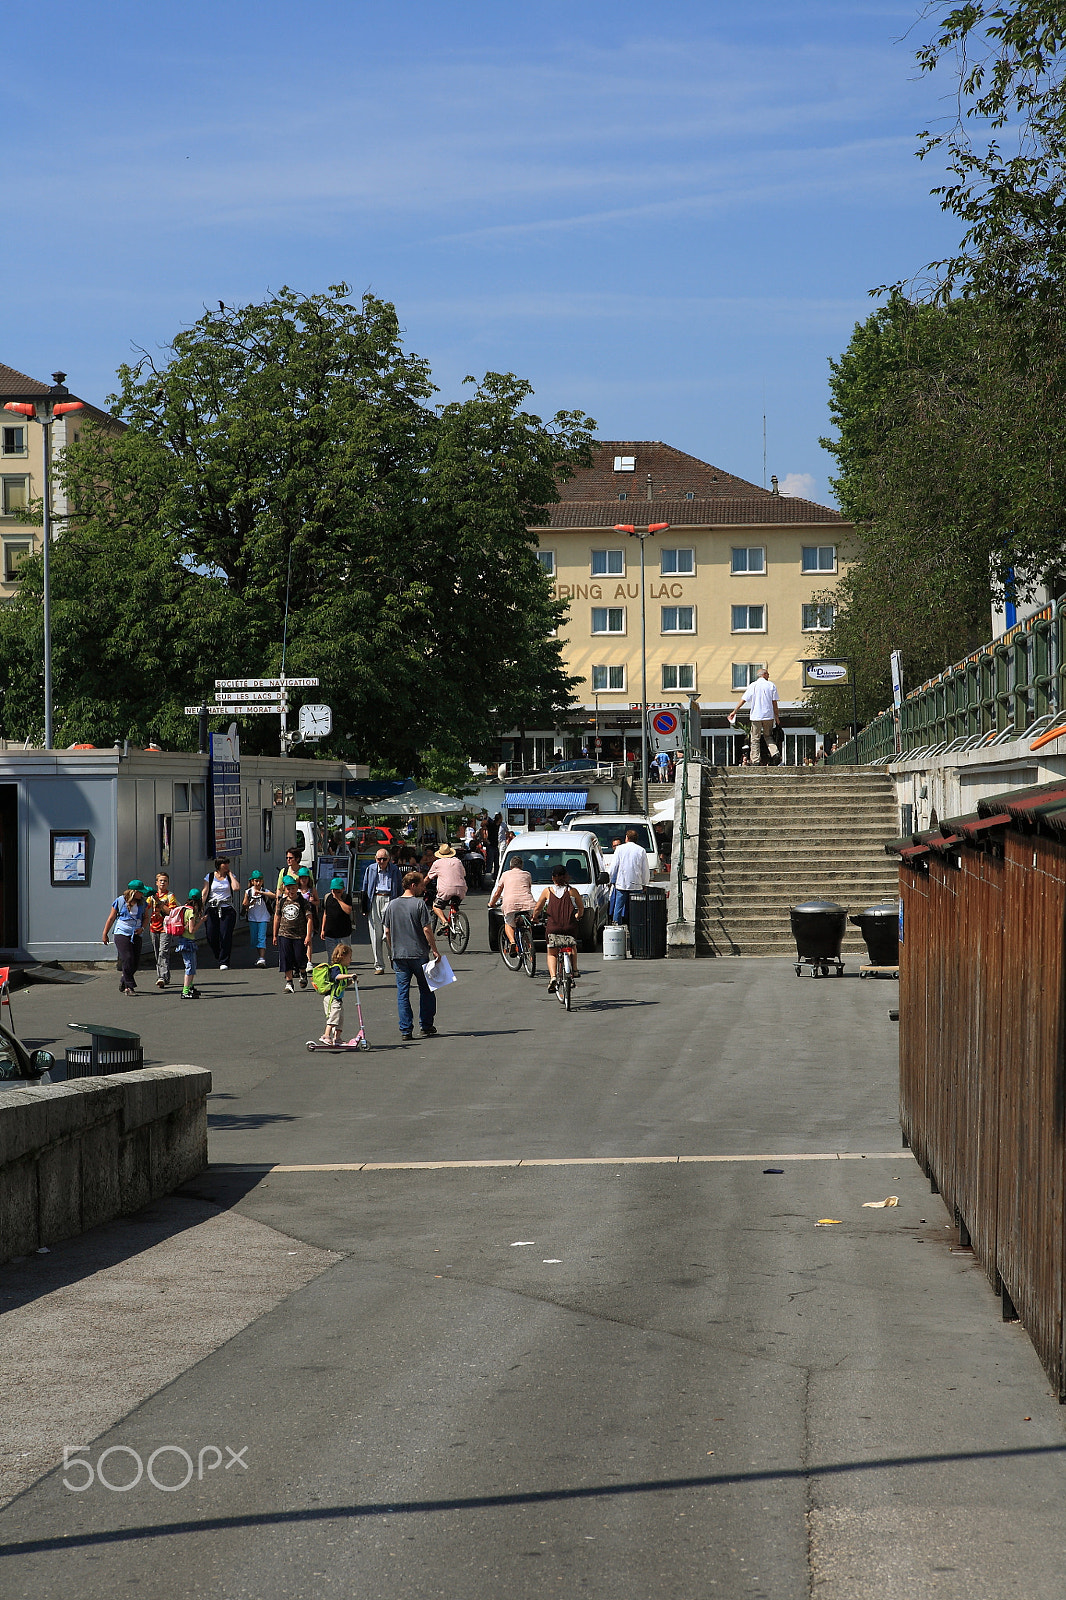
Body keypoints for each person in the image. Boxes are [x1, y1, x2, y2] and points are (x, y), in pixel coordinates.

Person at [383, 871, 441, 1041]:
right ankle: (426, 1025)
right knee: (426, 990)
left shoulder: (391, 905)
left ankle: (406, 1029)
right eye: (422, 885)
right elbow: (426, 929)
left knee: (403, 993)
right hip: (418, 953)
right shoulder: (419, 905)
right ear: (413, 885)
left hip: (399, 955)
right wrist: (435, 949)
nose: (424, 888)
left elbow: (387, 931)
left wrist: (392, 949)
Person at [532, 864, 583, 992]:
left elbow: (538, 908)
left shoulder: (547, 891)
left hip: (552, 928)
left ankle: (553, 977)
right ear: (566, 876)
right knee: (572, 946)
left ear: (553, 878)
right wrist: (577, 915)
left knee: (552, 953)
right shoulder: (572, 891)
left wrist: (534, 918)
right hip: (569, 927)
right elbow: (581, 907)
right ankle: (574, 970)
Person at [101, 881, 148, 995]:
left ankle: (124, 978)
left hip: (136, 932)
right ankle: (129, 986)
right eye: (140, 892)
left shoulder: (143, 903)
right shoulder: (120, 901)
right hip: (122, 932)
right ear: (134, 892)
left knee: (135, 962)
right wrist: (105, 933)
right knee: (127, 957)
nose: (142, 894)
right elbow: (111, 918)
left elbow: (146, 917)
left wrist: (142, 928)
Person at [361, 849, 402, 974]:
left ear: (389, 859)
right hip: (375, 899)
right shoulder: (371, 869)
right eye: (379, 859)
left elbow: (399, 888)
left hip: (390, 899)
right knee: (375, 934)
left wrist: (399, 906)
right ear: (375, 859)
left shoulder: (395, 870)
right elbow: (365, 887)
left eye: (384, 859)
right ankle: (379, 965)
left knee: (389, 933)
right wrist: (364, 907)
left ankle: (393, 958)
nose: (381, 862)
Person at [730, 667, 781, 767]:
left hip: (756, 716)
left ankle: (756, 760)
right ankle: (775, 753)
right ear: (764, 675)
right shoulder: (771, 685)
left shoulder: (753, 686)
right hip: (768, 715)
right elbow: (774, 703)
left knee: (755, 739)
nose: (769, 676)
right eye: (768, 674)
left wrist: (735, 710)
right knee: (768, 736)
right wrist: (777, 717)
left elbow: (744, 699)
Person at [487, 852, 536, 954]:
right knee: (527, 924)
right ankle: (530, 947)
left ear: (510, 866)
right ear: (521, 866)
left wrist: (491, 904)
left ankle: (512, 942)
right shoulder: (527, 874)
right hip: (527, 903)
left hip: (510, 904)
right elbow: (528, 888)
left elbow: (497, 892)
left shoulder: (505, 875)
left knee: (508, 923)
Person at [273, 874, 314, 993]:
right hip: (284, 934)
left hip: (299, 935)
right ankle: (289, 982)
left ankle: (303, 973)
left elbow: (309, 919)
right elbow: (277, 917)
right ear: (284, 889)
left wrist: (308, 935)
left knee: (300, 957)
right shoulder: (281, 902)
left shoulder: (302, 902)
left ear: (297, 887)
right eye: (288, 888)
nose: (291, 891)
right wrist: (275, 934)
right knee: (286, 958)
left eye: (293, 888)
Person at [203, 857, 240, 969]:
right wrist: (200, 907)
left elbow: (236, 888)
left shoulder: (230, 877)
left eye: (228, 864)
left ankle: (224, 961)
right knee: (211, 935)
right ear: (219, 865)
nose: (227, 866)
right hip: (213, 908)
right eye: (225, 864)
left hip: (227, 908)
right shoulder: (209, 876)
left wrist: (230, 875)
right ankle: (219, 954)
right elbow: (205, 892)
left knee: (225, 935)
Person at [609, 827, 650, 924]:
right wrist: (645, 883)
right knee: (637, 908)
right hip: (636, 883)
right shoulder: (641, 850)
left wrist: (609, 880)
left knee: (618, 907)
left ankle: (617, 926)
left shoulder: (619, 849)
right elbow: (645, 869)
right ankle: (637, 925)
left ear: (626, 838)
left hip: (622, 883)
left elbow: (614, 866)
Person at [318, 941, 355, 1046]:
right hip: (331, 998)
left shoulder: (343, 969)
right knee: (334, 1016)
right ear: (342, 956)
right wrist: (349, 976)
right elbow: (336, 977)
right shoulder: (336, 968)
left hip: (338, 999)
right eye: (349, 957)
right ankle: (326, 1035)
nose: (351, 960)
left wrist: (350, 982)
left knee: (340, 1018)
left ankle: (337, 1038)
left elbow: (341, 984)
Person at [425, 841, 467, 931]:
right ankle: (453, 925)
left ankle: (445, 922)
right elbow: (464, 874)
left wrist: (421, 886)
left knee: (436, 906)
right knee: (455, 905)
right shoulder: (458, 861)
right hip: (461, 888)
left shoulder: (437, 863)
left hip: (446, 889)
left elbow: (428, 878)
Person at [147, 871, 178, 990]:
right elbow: (146, 907)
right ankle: (165, 975)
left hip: (166, 927)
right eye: (161, 880)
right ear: (156, 883)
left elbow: (171, 912)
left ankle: (162, 977)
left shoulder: (170, 896)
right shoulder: (152, 896)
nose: (163, 883)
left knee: (163, 952)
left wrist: (160, 902)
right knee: (157, 952)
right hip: (154, 927)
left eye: (165, 881)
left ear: (168, 883)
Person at [173, 889, 205, 999]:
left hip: (183, 940)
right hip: (187, 941)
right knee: (190, 966)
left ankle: (190, 987)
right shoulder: (191, 912)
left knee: (192, 965)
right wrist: (201, 921)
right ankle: (185, 991)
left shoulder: (184, 909)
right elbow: (191, 930)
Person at [242, 869, 275, 968]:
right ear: (252, 881)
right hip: (253, 918)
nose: (258, 883)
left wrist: (262, 893)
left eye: (260, 881)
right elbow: (244, 904)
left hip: (263, 918)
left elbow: (274, 896)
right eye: (256, 881)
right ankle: (259, 957)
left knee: (261, 937)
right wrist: (250, 901)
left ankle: (262, 957)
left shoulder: (264, 891)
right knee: (255, 939)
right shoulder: (248, 891)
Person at [321, 875, 354, 952]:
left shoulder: (346, 898)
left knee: (344, 956)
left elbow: (348, 910)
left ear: (343, 889)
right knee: (331, 958)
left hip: (344, 934)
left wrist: (339, 899)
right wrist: (323, 929)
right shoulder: (327, 897)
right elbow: (325, 914)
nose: (335, 893)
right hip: (330, 933)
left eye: (338, 891)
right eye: (334, 890)